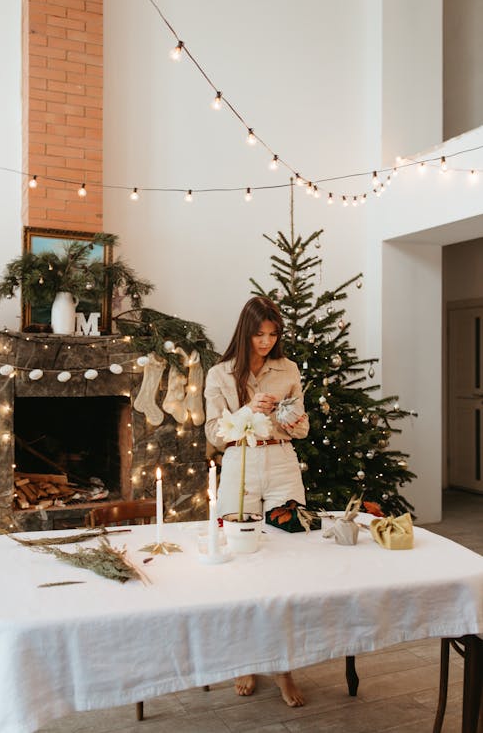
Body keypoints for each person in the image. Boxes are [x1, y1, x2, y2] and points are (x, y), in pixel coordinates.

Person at [204, 295, 309, 707]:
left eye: (273, 334)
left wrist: (293, 420)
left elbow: (300, 430)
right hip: (241, 460)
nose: (266, 342)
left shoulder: (289, 370)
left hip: (282, 461)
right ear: (245, 331)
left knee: (290, 553)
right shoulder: (220, 374)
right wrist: (248, 409)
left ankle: (283, 669)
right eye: (259, 334)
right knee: (239, 561)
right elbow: (215, 433)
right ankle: (245, 659)